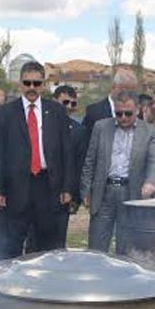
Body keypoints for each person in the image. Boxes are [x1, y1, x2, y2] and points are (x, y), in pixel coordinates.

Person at [0, 59, 75, 257]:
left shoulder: (56, 111)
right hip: (16, 189)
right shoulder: (5, 113)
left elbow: (66, 152)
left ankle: (45, 286)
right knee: (11, 247)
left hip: (48, 187)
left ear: (43, 85)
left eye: (36, 83)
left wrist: (67, 187)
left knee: (47, 247)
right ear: (20, 83)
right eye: (27, 83)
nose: (31, 88)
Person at [80, 91, 155, 254]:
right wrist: (86, 190)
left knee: (127, 248)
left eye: (128, 113)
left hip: (132, 194)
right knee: (96, 248)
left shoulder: (149, 131)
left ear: (138, 110)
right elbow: (90, 161)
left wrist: (151, 182)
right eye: (118, 113)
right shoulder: (101, 127)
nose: (123, 117)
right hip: (103, 193)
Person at [53, 85, 87, 231]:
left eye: (73, 104)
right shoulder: (38, 124)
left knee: (58, 241)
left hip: (64, 195)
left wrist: (75, 198)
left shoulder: (79, 131)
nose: (69, 107)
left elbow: (79, 166)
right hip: (37, 193)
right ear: (54, 101)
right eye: (65, 102)